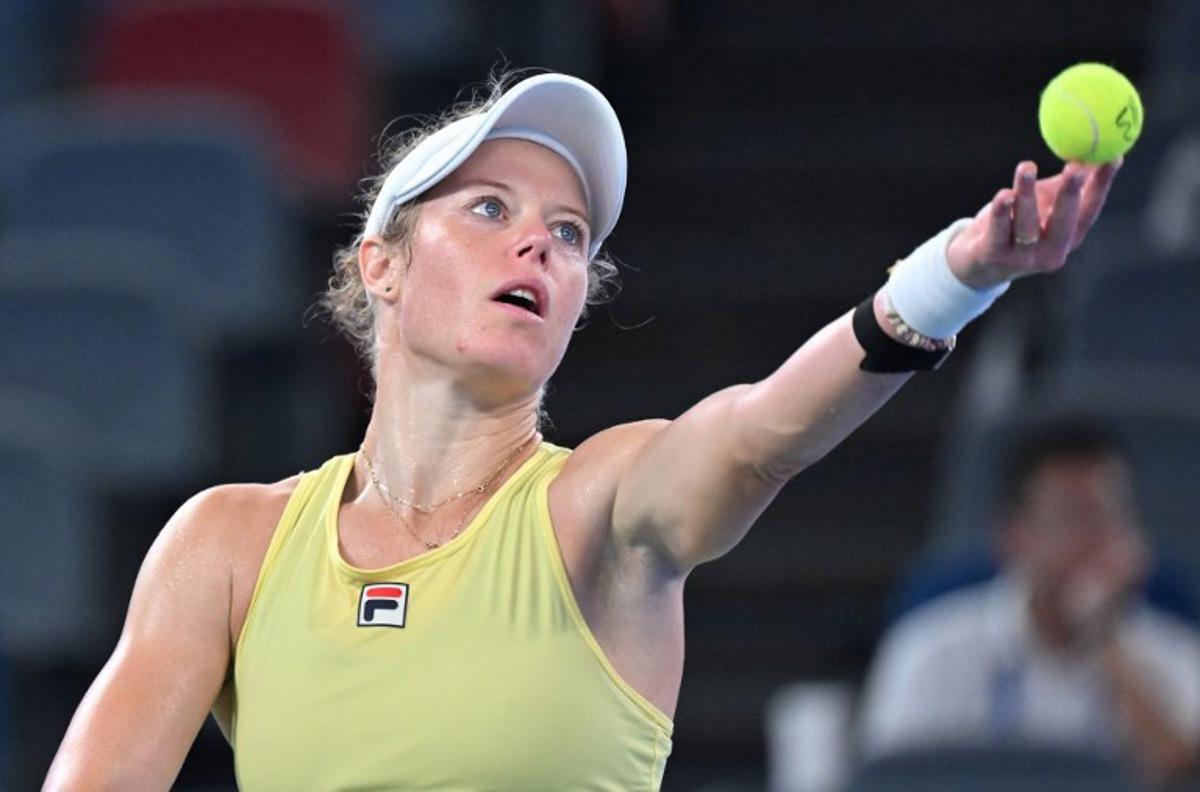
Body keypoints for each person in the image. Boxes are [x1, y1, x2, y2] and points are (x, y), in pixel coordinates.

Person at [43, 69, 1120, 790]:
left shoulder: (601, 507)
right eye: (489, 210)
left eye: (568, 234)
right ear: (381, 264)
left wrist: (949, 284)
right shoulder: (227, 545)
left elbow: (756, 438)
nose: (541, 251)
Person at [858, 419, 1200, 784]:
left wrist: (1105, 641)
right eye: (1074, 519)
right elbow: (892, 782)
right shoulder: (930, 652)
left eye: (1114, 518)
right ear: (1013, 536)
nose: (1097, 542)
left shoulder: (1175, 652)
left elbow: (1181, 775)